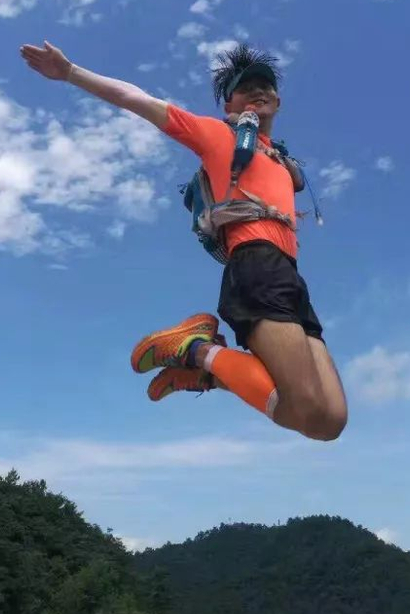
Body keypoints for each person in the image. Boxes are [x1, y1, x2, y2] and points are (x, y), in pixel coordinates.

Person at [20, 40, 347, 441]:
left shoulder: (282, 162)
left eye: (265, 86)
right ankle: (194, 350)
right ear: (229, 105)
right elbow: (137, 99)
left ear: (277, 101)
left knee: (329, 421)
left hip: (291, 277)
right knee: (303, 405)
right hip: (256, 265)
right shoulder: (218, 135)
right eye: (245, 88)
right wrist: (71, 72)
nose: (257, 91)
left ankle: (203, 373)